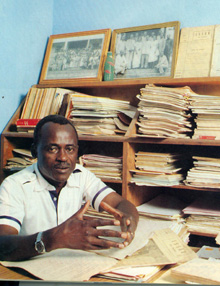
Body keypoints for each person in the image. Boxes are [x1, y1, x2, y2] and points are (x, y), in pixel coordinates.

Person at [0, 115, 139, 261]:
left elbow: (120, 204)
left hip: (69, 263)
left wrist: (130, 223)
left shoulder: (80, 175)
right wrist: (52, 238)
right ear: (35, 151)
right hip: (29, 268)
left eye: (70, 149)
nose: (63, 157)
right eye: (53, 148)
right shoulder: (14, 186)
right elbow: (2, 244)